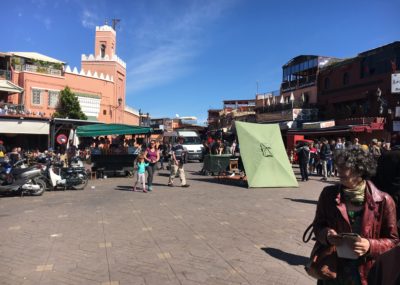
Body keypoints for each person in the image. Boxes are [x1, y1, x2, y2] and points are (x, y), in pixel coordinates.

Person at [312, 147, 399, 285]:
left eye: (344, 166)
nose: (338, 170)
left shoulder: (383, 201)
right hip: (332, 270)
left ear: (360, 170)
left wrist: (370, 245)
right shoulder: (328, 195)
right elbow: (318, 226)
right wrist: (327, 235)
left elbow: (394, 241)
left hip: (366, 273)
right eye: (338, 164)